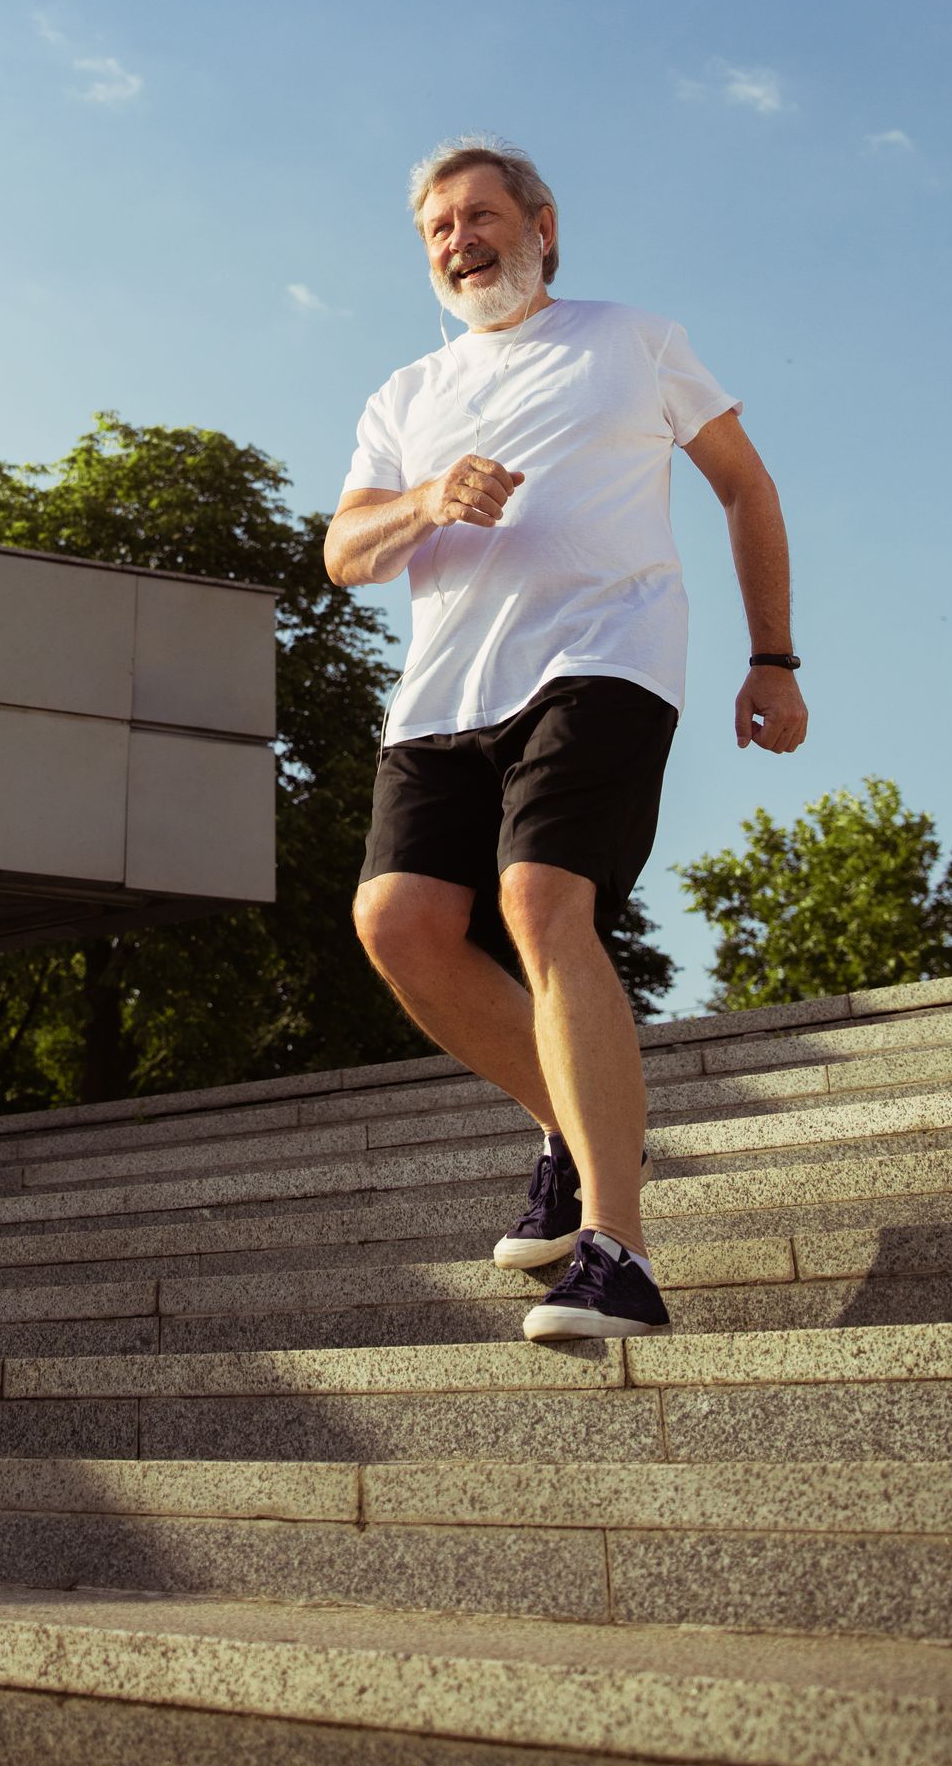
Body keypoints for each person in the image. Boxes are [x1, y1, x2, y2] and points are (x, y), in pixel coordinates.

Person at [324, 138, 807, 1339]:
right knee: (397, 925)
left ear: (543, 224)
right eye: (438, 227)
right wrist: (429, 498)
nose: (459, 239)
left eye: (481, 216)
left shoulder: (632, 339)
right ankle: (562, 1122)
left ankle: (620, 1250)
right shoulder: (403, 396)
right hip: (441, 696)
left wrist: (773, 658)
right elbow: (342, 555)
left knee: (542, 900)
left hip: (603, 658)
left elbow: (746, 486)